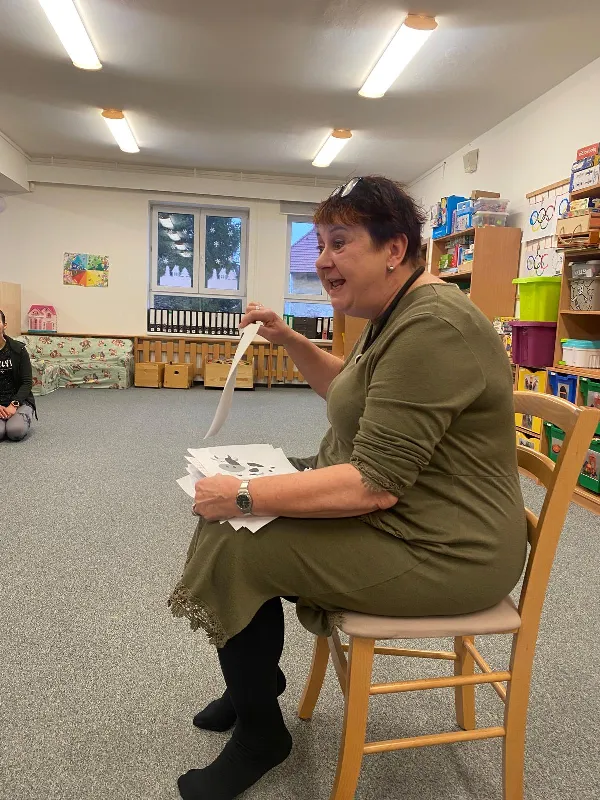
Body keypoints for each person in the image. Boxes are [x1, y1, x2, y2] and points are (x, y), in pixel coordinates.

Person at [168, 176, 527, 800]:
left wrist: (246, 496)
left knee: (240, 537)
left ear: (395, 249)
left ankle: (260, 732)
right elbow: (349, 390)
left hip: (446, 547)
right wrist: (289, 339)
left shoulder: (433, 327)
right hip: (413, 509)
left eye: (340, 242)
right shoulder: (397, 310)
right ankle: (254, 686)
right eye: (320, 244)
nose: (323, 260)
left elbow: (375, 484)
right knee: (226, 509)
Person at [0, 309, 35, 442]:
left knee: (15, 431)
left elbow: (27, 383)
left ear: (4, 325)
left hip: (18, 401)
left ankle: (21, 416)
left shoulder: (18, 350)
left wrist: (14, 404)